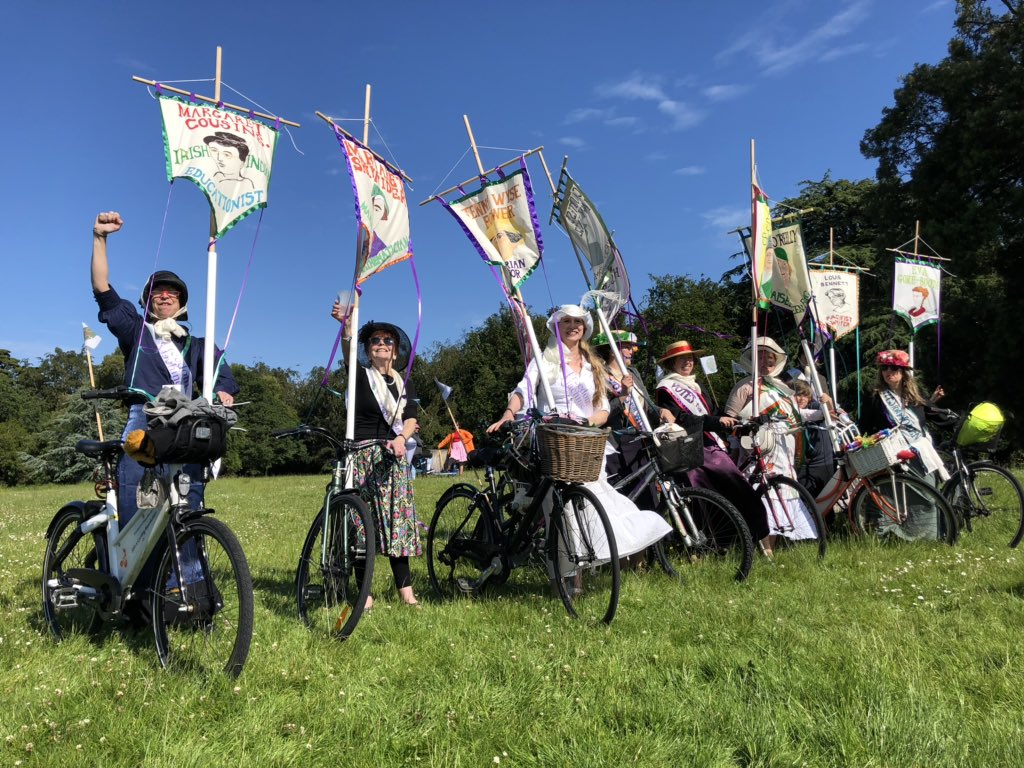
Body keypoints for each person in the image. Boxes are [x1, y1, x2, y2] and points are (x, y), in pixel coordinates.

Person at [91, 210, 240, 622]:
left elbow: (223, 372)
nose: (164, 295)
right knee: (139, 505)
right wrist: (99, 238)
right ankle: (132, 592)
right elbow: (103, 289)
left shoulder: (195, 341)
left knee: (186, 506)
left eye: (172, 292)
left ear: (183, 301)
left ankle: (187, 590)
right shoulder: (136, 331)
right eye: (157, 291)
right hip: (145, 417)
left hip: (186, 423)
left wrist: (224, 390)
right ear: (147, 300)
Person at [487, 304, 671, 560]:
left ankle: (599, 557)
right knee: (560, 509)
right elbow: (523, 391)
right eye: (567, 321)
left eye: (578, 322)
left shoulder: (592, 366)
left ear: (585, 329)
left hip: (584, 443)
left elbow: (603, 408)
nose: (573, 326)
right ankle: (567, 576)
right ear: (557, 326)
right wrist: (508, 413)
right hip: (553, 441)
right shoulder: (544, 359)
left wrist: (588, 424)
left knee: (595, 500)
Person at [333, 303, 422, 607]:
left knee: (399, 526)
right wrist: (346, 328)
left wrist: (401, 437)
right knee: (362, 526)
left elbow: (411, 417)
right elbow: (347, 353)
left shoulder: (402, 382)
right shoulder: (360, 376)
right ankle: (364, 594)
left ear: (395, 351)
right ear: (368, 350)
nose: (381, 344)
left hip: (392, 458)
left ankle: (406, 593)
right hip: (362, 458)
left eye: (387, 341)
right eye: (375, 341)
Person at [655, 340, 768, 543]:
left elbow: (714, 413)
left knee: (735, 487)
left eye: (689, 358)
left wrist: (734, 421)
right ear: (672, 364)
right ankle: (717, 541)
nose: (687, 362)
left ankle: (745, 536)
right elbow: (682, 418)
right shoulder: (666, 388)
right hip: (692, 448)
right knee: (720, 487)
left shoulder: (697, 385)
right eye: (681, 359)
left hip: (710, 443)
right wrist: (716, 422)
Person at [722, 337, 816, 554]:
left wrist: (824, 412)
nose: (766, 362)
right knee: (763, 496)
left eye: (770, 357)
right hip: (758, 449)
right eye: (760, 357)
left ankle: (773, 543)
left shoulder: (783, 388)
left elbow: (795, 416)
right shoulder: (745, 386)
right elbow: (729, 418)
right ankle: (763, 549)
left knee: (782, 493)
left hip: (783, 449)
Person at [591, 329, 671, 511]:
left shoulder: (633, 372)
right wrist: (622, 396)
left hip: (640, 440)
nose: (631, 352)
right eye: (626, 347)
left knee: (647, 494)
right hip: (616, 444)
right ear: (612, 350)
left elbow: (645, 403)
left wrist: (661, 411)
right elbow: (601, 414)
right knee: (624, 498)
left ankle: (654, 537)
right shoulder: (598, 375)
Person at [861, 349, 947, 482]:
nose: (888, 372)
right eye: (884, 368)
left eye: (894, 368)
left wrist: (957, 423)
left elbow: (931, 412)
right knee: (924, 498)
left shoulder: (914, 393)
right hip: (895, 457)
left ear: (903, 371)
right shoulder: (875, 397)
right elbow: (864, 425)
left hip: (922, 451)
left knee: (932, 492)